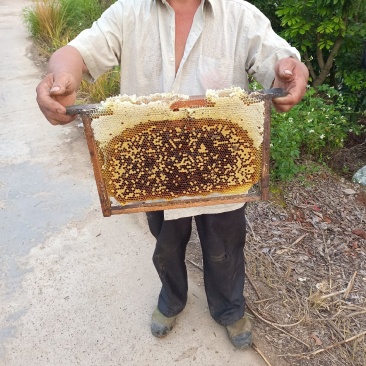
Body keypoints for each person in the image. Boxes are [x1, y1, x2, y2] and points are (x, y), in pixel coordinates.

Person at [36, 0, 309, 349]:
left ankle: (229, 309)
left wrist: (288, 71)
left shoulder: (239, 14)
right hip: (152, 173)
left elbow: (278, 61)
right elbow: (77, 53)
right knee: (166, 248)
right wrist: (62, 77)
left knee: (224, 249)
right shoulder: (127, 13)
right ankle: (172, 299)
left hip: (223, 171)